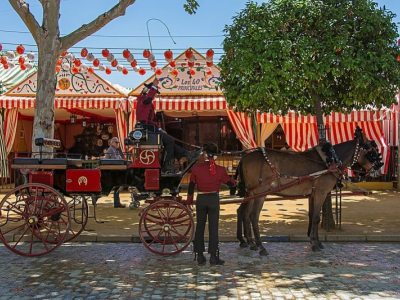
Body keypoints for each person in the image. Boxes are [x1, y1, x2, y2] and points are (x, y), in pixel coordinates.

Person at [136, 77, 201, 171]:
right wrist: (154, 86)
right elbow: (148, 100)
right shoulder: (142, 100)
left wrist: (159, 129)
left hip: (150, 128)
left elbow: (151, 120)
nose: (154, 96)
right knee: (170, 140)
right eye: (153, 93)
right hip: (146, 128)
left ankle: (186, 155)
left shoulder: (145, 103)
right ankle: (169, 163)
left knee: (169, 141)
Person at [187, 143, 236, 266]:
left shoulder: (196, 168)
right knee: (213, 228)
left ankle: (200, 256)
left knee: (200, 227)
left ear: (205, 155)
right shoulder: (220, 170)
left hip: (201, 199)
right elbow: (229, 183)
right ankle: (214, 257)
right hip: (213, 199)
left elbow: (191, 186)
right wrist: (236, 183)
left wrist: (189, 202)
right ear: (214, 157)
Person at [105, 137, 126, 208]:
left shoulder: (115, 150)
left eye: (118, 142)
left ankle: (117, 202)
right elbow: (115, 160)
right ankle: (116, 203)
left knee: (117, 185)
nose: (118, 144)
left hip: (114, 169)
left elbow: (120, 159)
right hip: (110, 170)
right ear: (112, 143)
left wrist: (125, 161)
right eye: (116, 142)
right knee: (116, 184)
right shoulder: (111, 149)